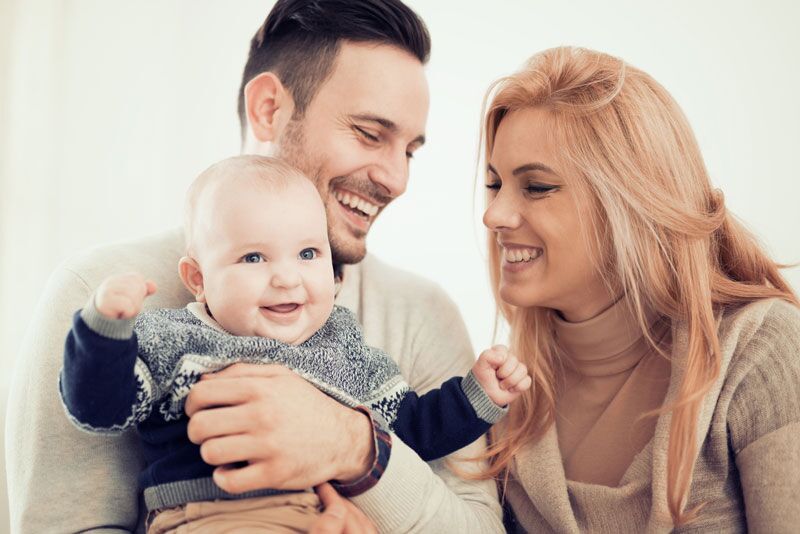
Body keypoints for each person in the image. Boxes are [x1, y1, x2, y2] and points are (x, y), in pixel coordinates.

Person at [6, 1, 506, 532]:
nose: (396, 179)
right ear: (268, 108)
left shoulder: (422, 316)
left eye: (410, 150)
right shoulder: (100, 300)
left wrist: (355, 446)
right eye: (368, 133)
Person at [58, 155, 530, 532]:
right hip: (208, 517)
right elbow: (100, 409)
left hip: (316, 519)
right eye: (253, 257)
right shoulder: (174, 338)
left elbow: (409, 430)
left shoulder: (342, 348)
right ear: (198, 280)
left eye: (307, 253)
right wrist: (104, 333)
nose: (287, 278)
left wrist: (477, 396)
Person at [474, 46, 800, 532]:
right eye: (495, 184)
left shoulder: (762, 349)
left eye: (537, 187)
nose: (494, 215)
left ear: (630, 202)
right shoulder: (501, 398)